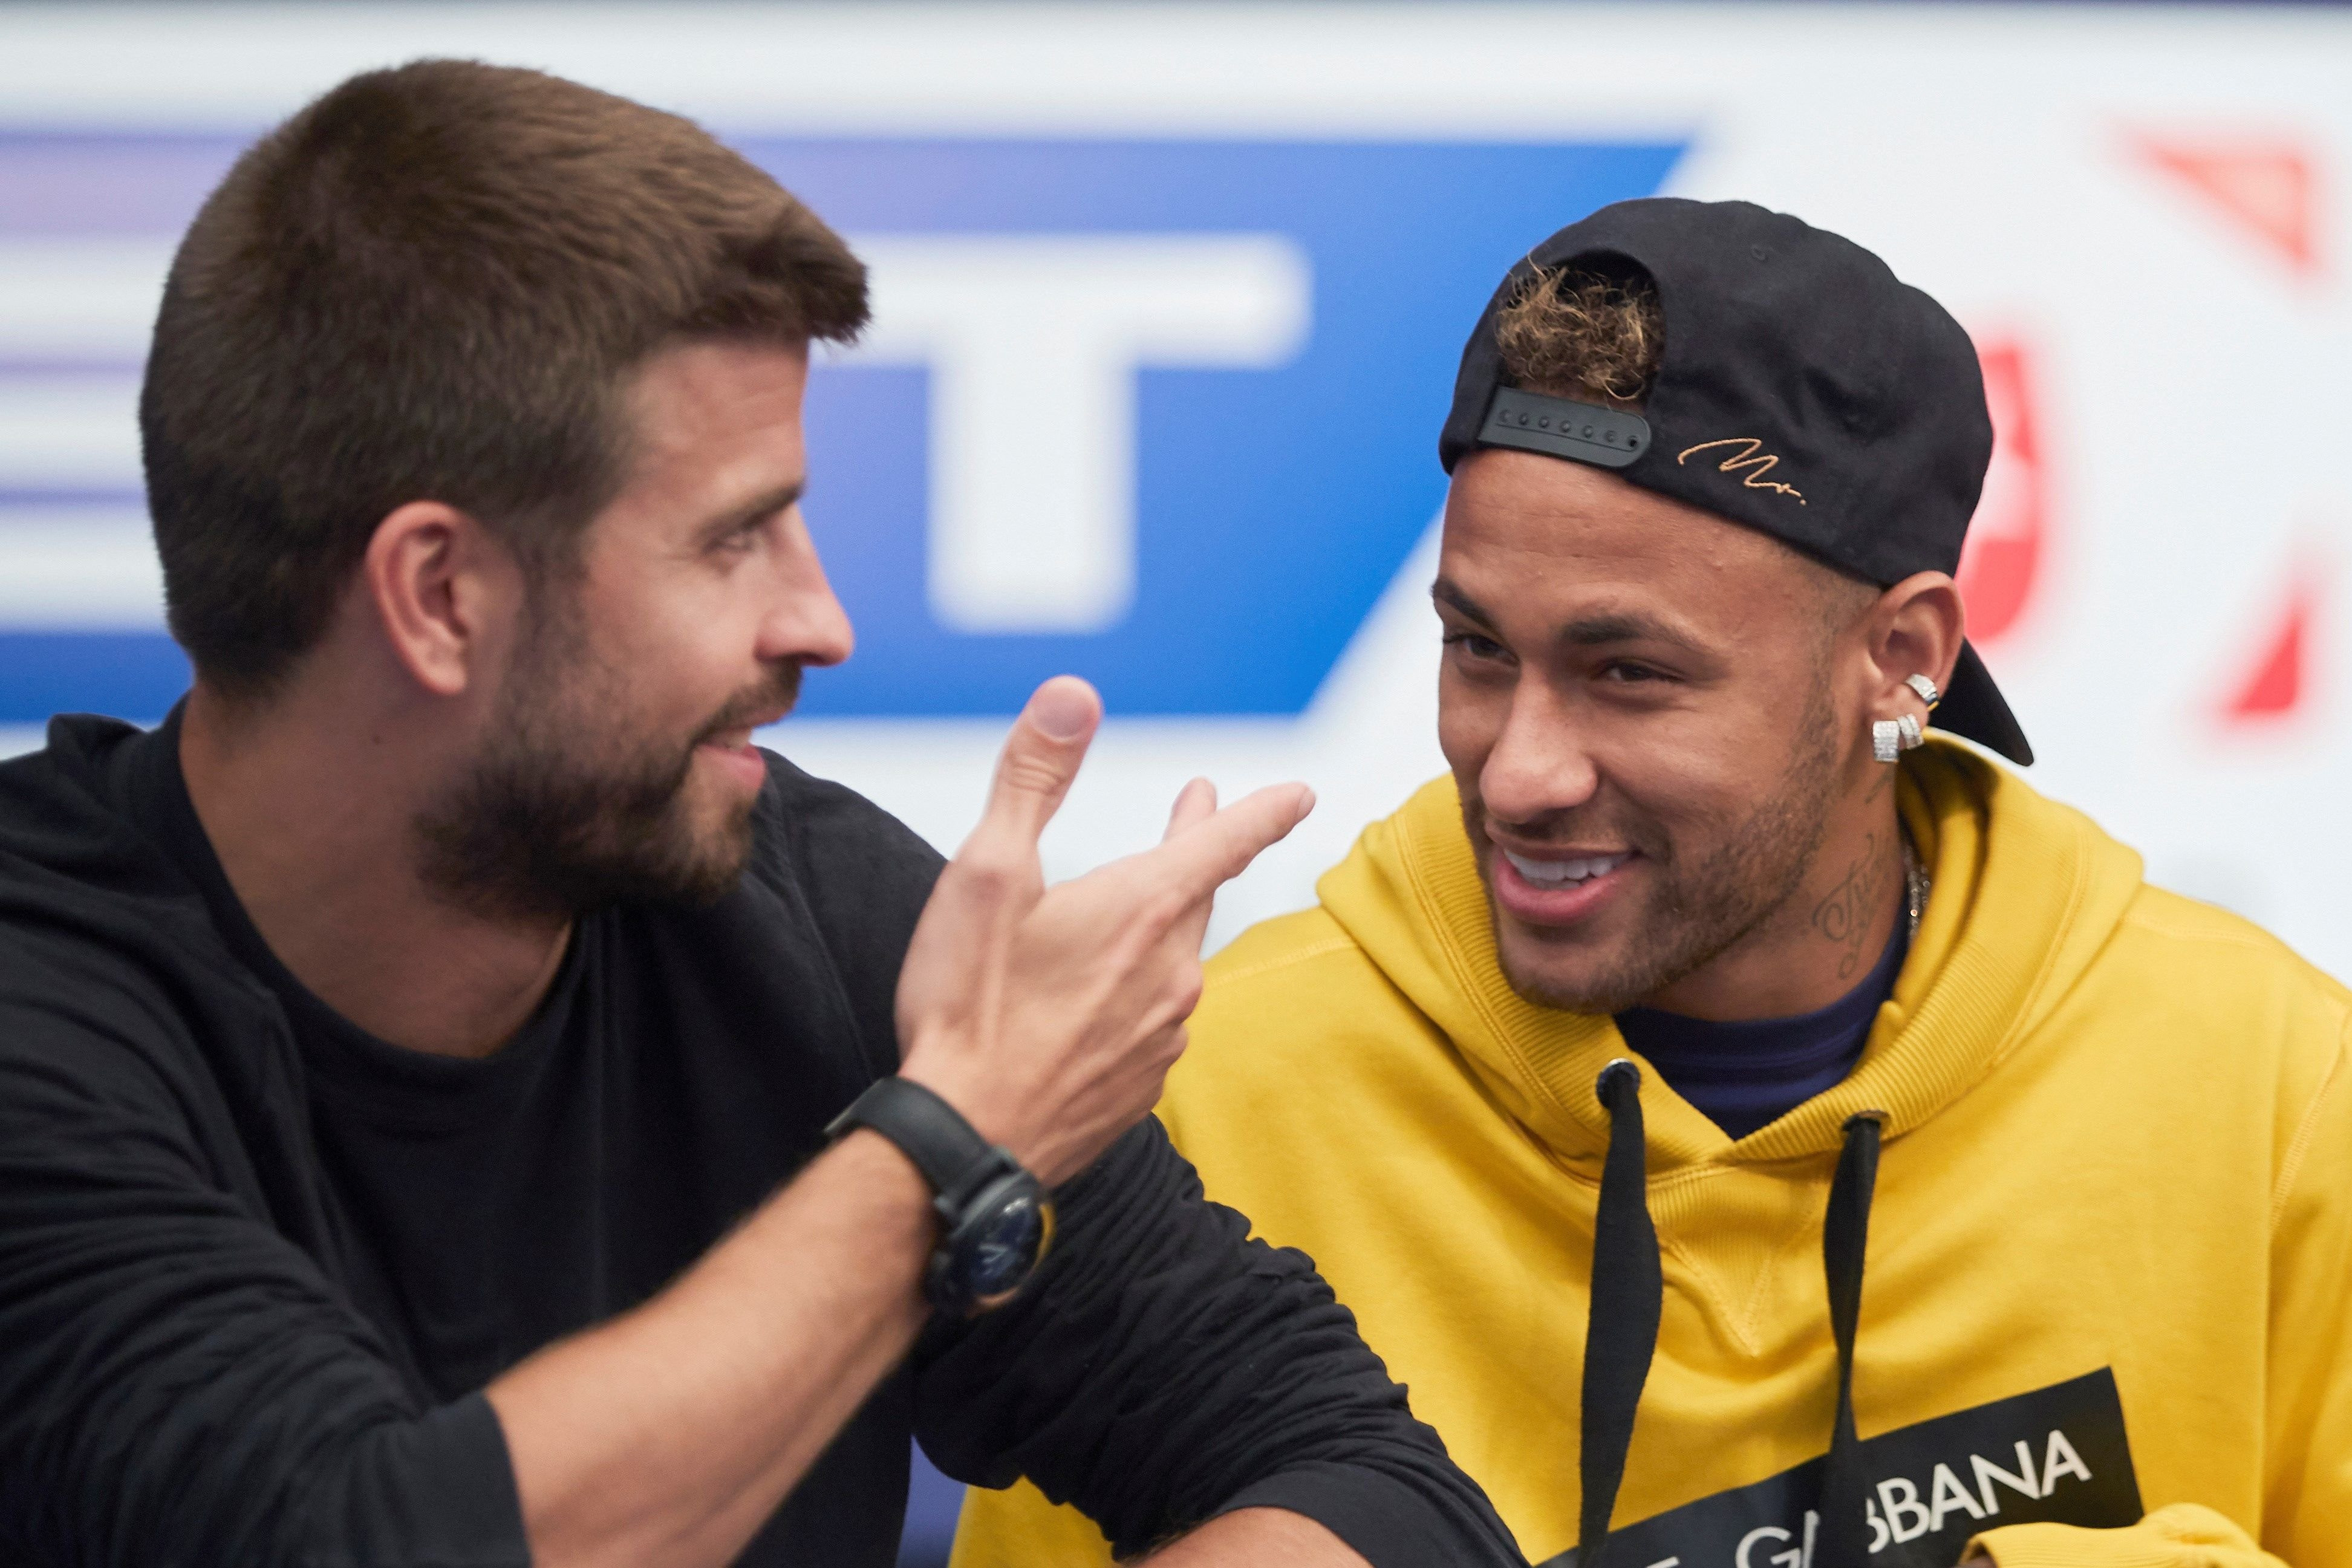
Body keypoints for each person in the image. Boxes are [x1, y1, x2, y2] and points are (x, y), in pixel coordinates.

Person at [0, 61, 1528, 1568]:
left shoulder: (797, 904)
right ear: (439, 596)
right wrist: (954, 1145)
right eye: (734, 539)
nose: (820, 619)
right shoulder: (43, 1021)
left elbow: (1364, 1481)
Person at [956, 200, 2352, 1567]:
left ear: (1902, 659)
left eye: (1629, 672)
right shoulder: (1208, 1089)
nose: (1518, 772)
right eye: (1478, 650)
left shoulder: (2274, 1087)